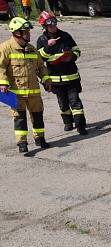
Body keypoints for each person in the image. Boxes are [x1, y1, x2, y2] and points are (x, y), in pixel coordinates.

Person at [0, 17, 52, 154]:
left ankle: (40, 138)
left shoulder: (31, 49)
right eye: (25, 32)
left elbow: (41, 67)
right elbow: (1, 68)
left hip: (34, 92)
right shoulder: (6, 48)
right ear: (16, 33)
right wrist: (3, 83)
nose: (28, 34)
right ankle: (22, 142)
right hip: (17, 93)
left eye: (28, 31)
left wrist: (46, 80)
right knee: (19, 118)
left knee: (38, 116)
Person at [36, 11, 86, 135]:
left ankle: (81, 125)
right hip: (56, 80)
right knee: (63, 104)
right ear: (45, 26)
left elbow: (77, 50)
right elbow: (40, 58)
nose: (53, 25)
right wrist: (48, 47)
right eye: (50, 23)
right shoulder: (42, 40)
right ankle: (68, 123)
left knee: (75, 102)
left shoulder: (65, 36)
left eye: (54, 22)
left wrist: (72, 56)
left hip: (71, 77)